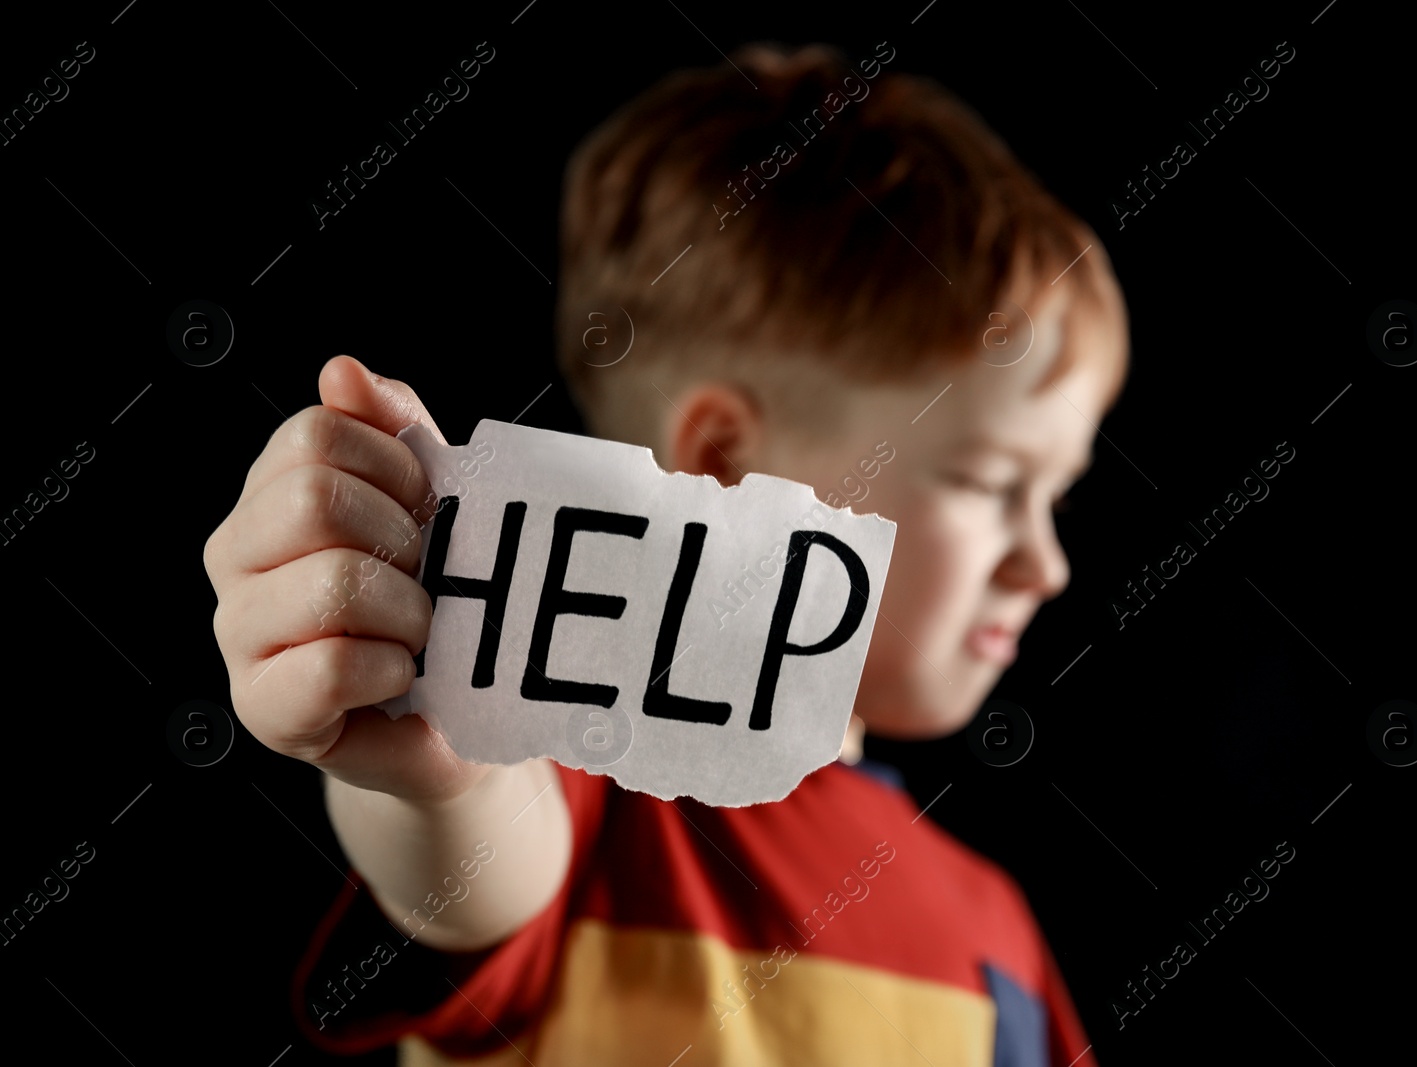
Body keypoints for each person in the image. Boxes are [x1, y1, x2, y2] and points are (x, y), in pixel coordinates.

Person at [204, 41, 1129, 1066]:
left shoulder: (996, 928)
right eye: (994, 482)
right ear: (723, 464)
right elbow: (475, 846)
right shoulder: (574, 774)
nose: (1044, 564)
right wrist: (445, 760)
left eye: (1056, 496)